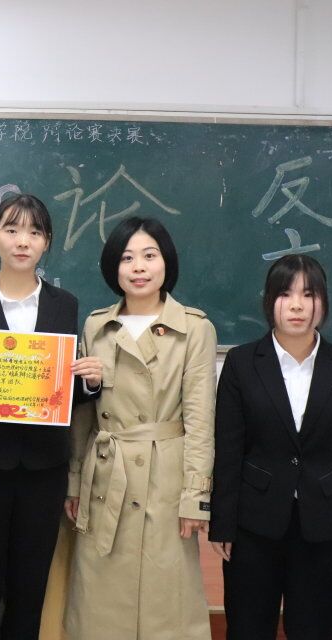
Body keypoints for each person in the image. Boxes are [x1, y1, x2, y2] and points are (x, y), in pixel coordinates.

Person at [0, 193, 101, 640]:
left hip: (42, 469)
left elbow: (60, 392)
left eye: (34, 232)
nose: (22, 241)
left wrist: (91, 383)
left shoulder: (64, 305)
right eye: (12, 230)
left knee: (30, 587)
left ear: (46, 242)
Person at [210, 255, 332, 640]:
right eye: (286, 294)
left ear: (324, 302)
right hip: (253, 525)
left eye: (309, 294)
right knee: (248, 628)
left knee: (314, 629)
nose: (298, 305)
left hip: (325, 526)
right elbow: (229, 448)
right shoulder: (242, 363)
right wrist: (222, 523)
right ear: (269, 300)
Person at [64, 216, 216, 640]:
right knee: (101, 604)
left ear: (167, 262)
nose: (139, 267)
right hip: (105, 474)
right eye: (127, 258)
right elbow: (84, 416)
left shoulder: (195, 328)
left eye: (150, 255)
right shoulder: (96, 326)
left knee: (165, 604)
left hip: (164, 480)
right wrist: (74, 481)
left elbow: (200, 420)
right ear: (114, 267)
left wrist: (196, 496)